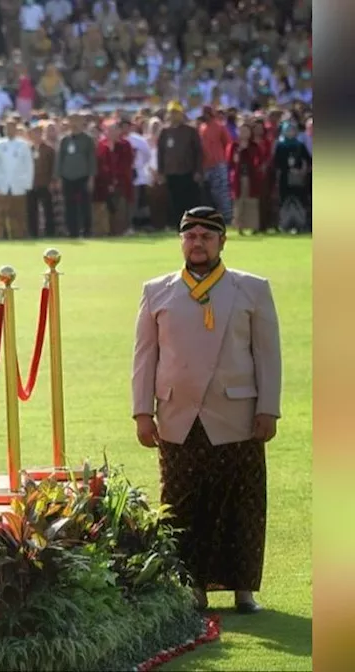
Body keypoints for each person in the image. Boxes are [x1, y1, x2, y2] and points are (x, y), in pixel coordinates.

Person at [131, 206, 281, 614]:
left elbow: (267, 355)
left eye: (206, 236)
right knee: (182, 505)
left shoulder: (251, 289)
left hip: (237, 414)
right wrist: (142, 412)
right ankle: (191, 586)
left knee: (242, 502)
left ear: (222, 241)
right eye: (191, 235)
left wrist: (268, 407)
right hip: (179, 415)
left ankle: (243, 590)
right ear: (182, 241)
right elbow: (145, 357)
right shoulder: (156, 291)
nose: (198, 243)